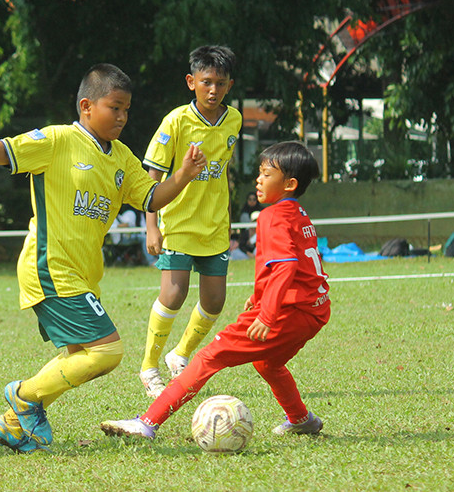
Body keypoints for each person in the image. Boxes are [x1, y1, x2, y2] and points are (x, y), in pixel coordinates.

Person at [0, 63, 208, 453]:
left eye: (127, 109)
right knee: (107, 352)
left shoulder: (122, 158)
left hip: (82, 273)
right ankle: (23, 396)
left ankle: (11, 425)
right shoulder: (57, 140)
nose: (123, 117)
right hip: (50, 267)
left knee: (79, 356)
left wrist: (184, 175)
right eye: (115, 107)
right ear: (87, 106)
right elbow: (7, 149)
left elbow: (152, 198)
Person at [100, 141, 330, 441]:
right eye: (259, 173)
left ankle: (147, 422)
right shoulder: (297, 213)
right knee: (269, 363)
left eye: (266, 174)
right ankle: (301, 419)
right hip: (314, 311)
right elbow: (297, 265)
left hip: (287, 312)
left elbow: (285, 268)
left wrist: (269, 313)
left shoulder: (272, 216)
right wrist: (259, 296)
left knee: (207, 359)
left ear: (290, 184)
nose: (258, 180)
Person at [138, 45, 242, 398]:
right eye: (206, 82)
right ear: (191, 82)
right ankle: (149, 367)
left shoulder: (235, 120)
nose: (213, 90)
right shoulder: (176, 122)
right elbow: (152, 175)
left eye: (221, 83)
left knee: (214, 301)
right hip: (177, 224)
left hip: (214, 227)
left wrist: (226, 217)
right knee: (174, 292)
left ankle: (179, 355)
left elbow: (222, 172)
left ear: (229, 85)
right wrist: (152, 225)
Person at [234, 191, 263, 255]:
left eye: (254, 199)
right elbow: (242, 245)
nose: (252, 201)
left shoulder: (262, 211)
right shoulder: (244, 214)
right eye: (250, 199)